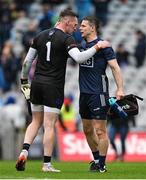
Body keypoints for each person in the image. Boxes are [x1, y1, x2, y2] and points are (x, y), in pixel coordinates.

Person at [15, 8, 109, 172]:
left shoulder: (40, 35)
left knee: (35, 121)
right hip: (53, 86)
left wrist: (24, 81)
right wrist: (97, 47)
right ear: (66, 21)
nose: (76, 27)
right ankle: (46, 164)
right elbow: (79, 58)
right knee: (49, 125)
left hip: (36, 83)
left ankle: (24, 151)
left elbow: (26, 63)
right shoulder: (67, 39)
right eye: (74, 24)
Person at [78, 16, 125, 172]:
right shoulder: (82, 46)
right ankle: (96, 159)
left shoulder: (104, 46)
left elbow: (115, 67)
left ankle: (102, 164)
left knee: (100, 130)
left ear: (93, 28)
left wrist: (120, 89)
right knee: (87, 130)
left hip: (98, 93)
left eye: (83, 26)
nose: (80, 28)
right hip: (83, 94)